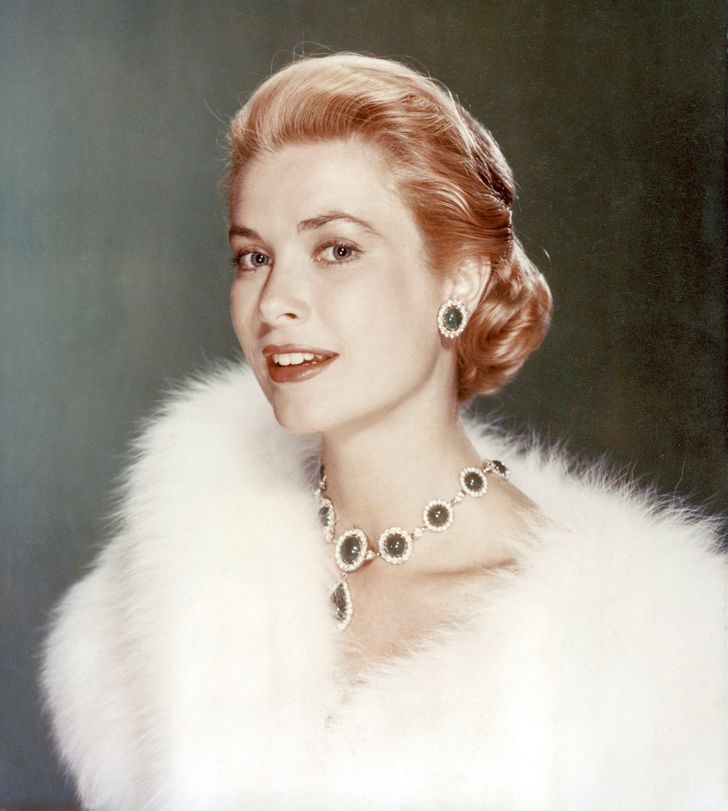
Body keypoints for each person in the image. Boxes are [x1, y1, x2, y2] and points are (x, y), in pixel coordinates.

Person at [41, 53, 726, 810]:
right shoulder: (161, 591)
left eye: (337, 249)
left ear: (460, 278)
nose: (275, 302)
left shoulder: (641, 652)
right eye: (254, 257)